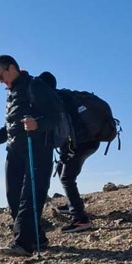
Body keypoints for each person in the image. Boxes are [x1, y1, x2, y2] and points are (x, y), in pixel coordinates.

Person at [0, 55, 62, 256]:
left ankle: (23, 243)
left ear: (11, 68)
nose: (0, 82)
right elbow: (9, 129)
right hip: (14, 151)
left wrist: (37, 124)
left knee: (29, 197)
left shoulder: (35, 86)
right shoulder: (12, 94)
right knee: (13, 195)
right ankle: (37, 237)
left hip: (37, 149)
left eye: (0, 76)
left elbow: (56, 116)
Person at [36, 71, 98, 233]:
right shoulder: (65, 95)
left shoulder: (54, 100)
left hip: (81, 143)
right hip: (89, 140)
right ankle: (73, 205)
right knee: (64, 170)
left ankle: (80, 220)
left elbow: (61, 130)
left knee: (67, 177)